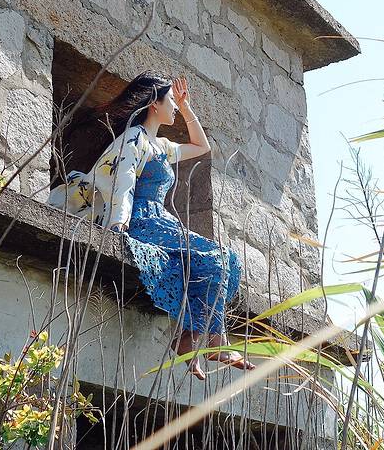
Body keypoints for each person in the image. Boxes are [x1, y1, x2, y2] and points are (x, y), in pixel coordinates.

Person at [48, 71, 255, 380]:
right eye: (171, 100)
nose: (175, 107)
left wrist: (187, 108)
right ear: (154, 104)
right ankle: (212, 342)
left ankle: (193, 338)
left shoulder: (161, 145)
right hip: (142, 221)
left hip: (161, 219)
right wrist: (118, 224)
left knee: (224, 259)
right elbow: (122, 182)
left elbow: (201, 147)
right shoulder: (134, 139)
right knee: (215, 258)